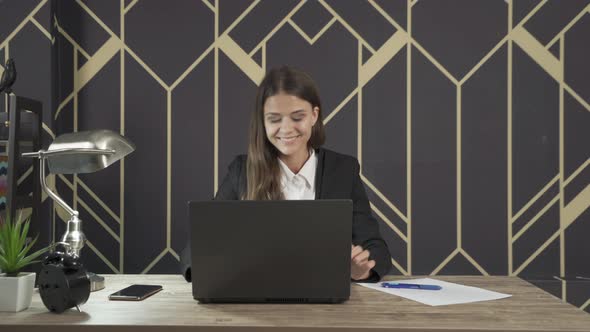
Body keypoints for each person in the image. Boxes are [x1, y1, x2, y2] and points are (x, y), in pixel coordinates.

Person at [180, 65, 391, 282]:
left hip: (325, 305)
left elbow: (377, 249)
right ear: (263, 121)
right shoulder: (242, 171)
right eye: (274, 119)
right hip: (256, 301)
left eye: (297, 117)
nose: (286, 128)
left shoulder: (343, 170)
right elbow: (197, 246)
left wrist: (360, 270)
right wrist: (208, 269)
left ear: (314, 116)